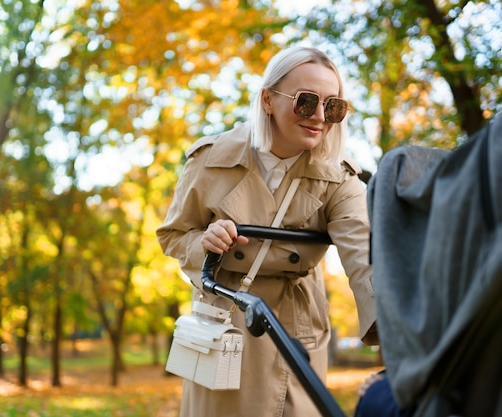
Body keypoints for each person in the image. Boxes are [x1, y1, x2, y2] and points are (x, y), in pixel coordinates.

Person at [156, 44, 378, 417]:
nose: (320, 117)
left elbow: (364, 253)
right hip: (225, 323)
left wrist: (395, 327)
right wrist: (205, 243)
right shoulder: (211, 160)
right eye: (306, 101)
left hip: (297, 327)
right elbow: (174, 235)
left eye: (333, 106)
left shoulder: (339, 177)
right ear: (268, 100)